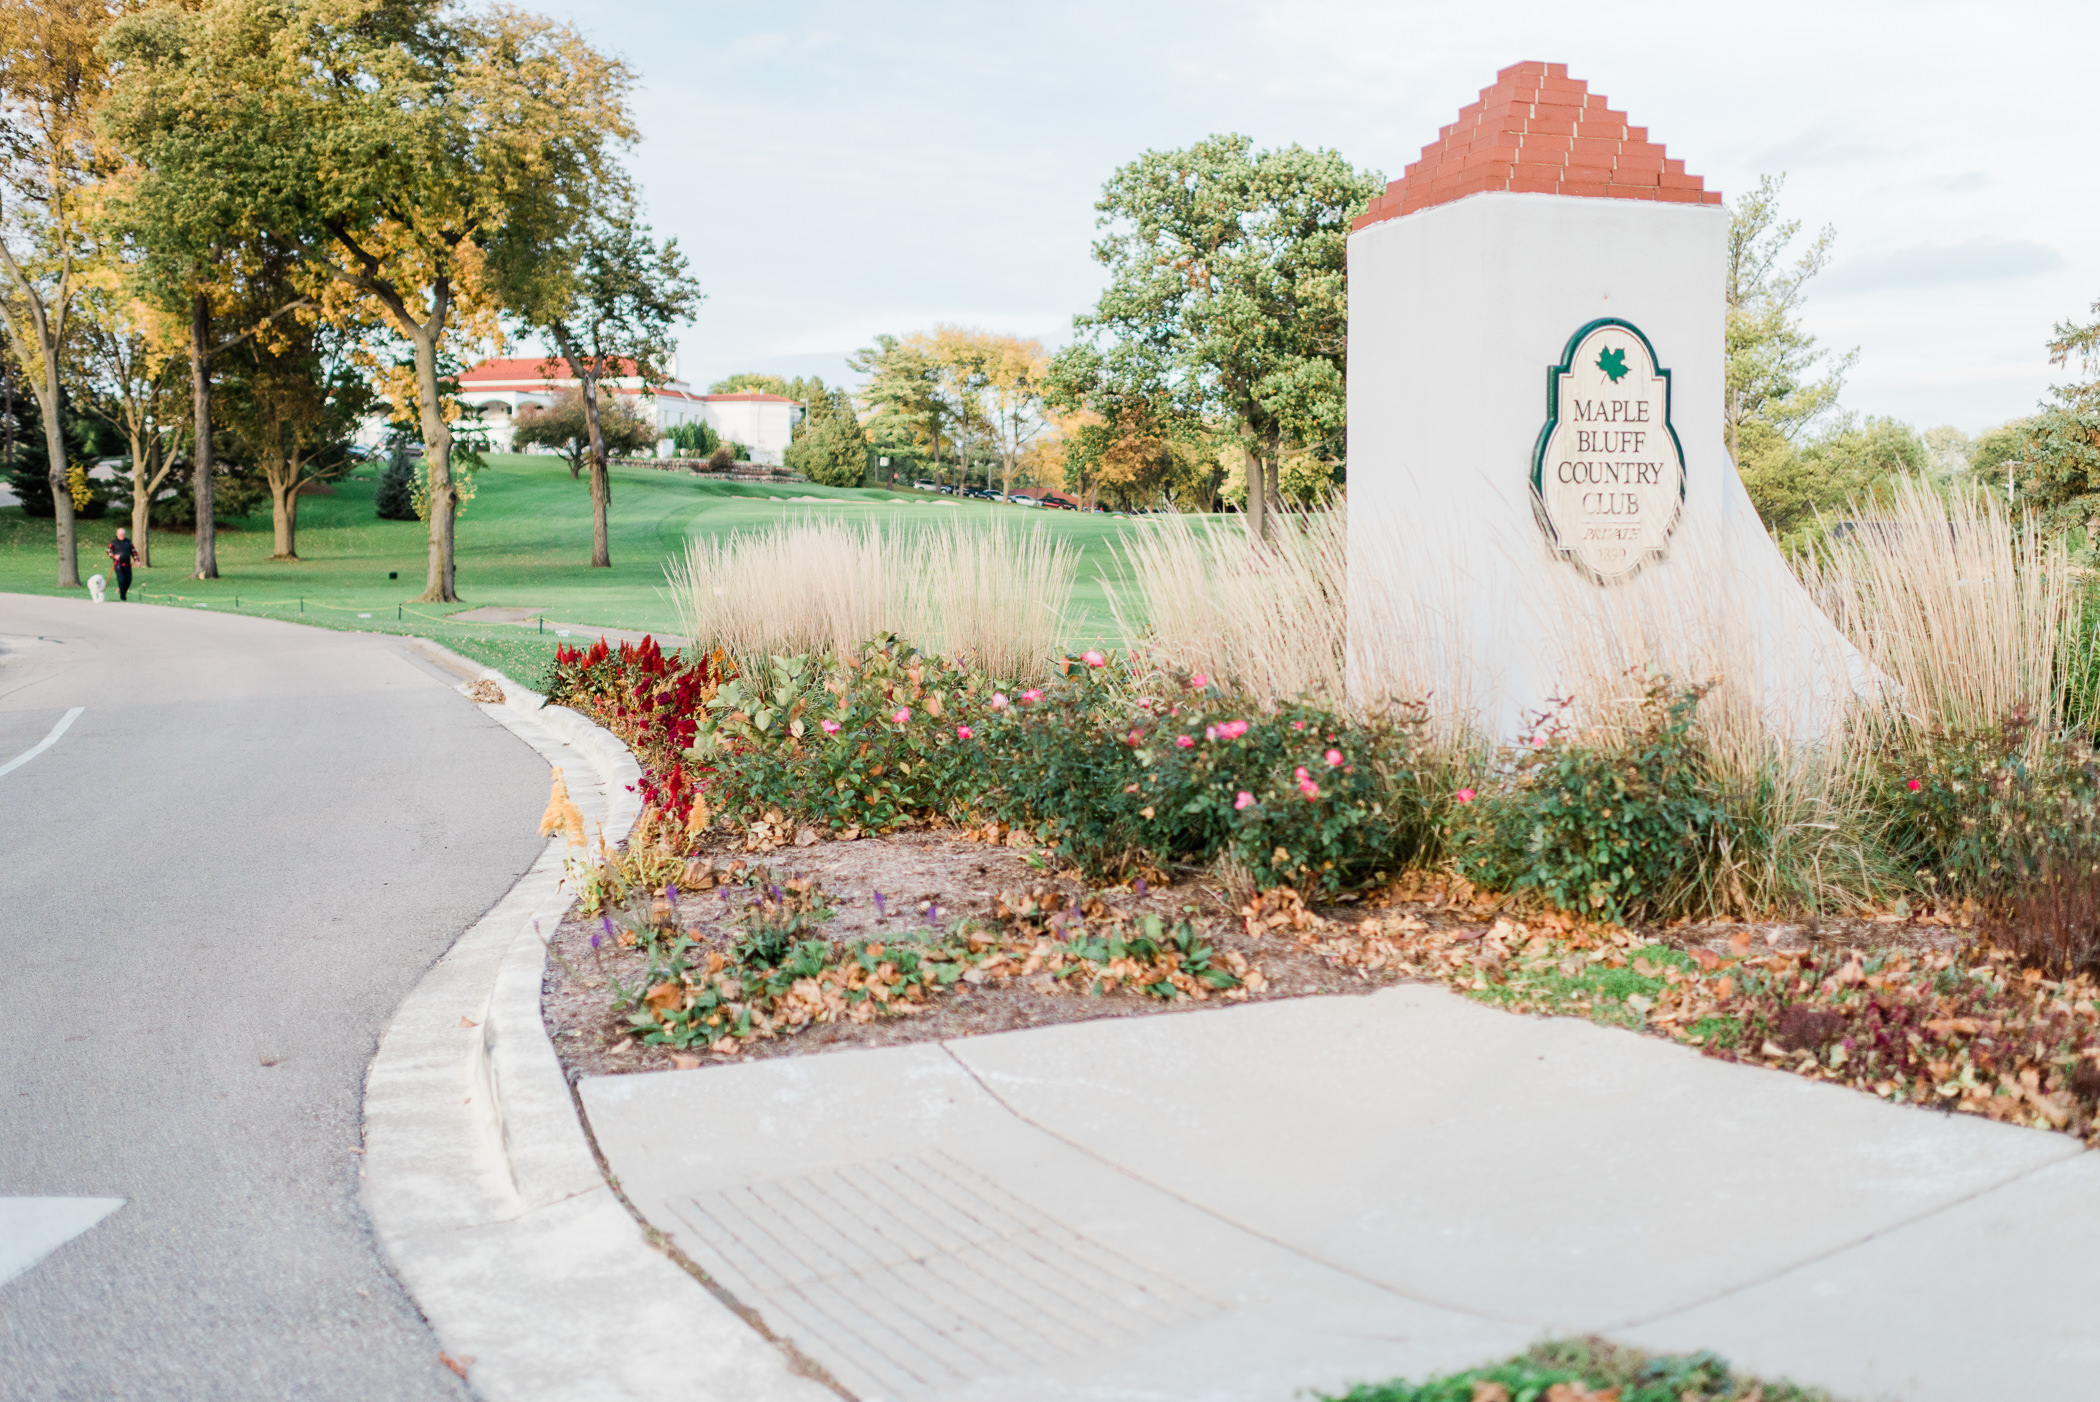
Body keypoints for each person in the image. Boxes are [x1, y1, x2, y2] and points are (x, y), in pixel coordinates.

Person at [106, 528, 136, 602]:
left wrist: (137, 560)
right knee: (121, 579)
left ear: (125, 534)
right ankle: (123, 597)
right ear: (117, 534)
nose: (121, 535)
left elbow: (134, 551)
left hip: (127, 564)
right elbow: (108, 551)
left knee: (128, 580)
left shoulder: (128, 542)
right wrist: (113, 556)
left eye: (123, 534)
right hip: (118, 564)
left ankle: (121, 590)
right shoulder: (114, 542)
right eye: (120, 534)